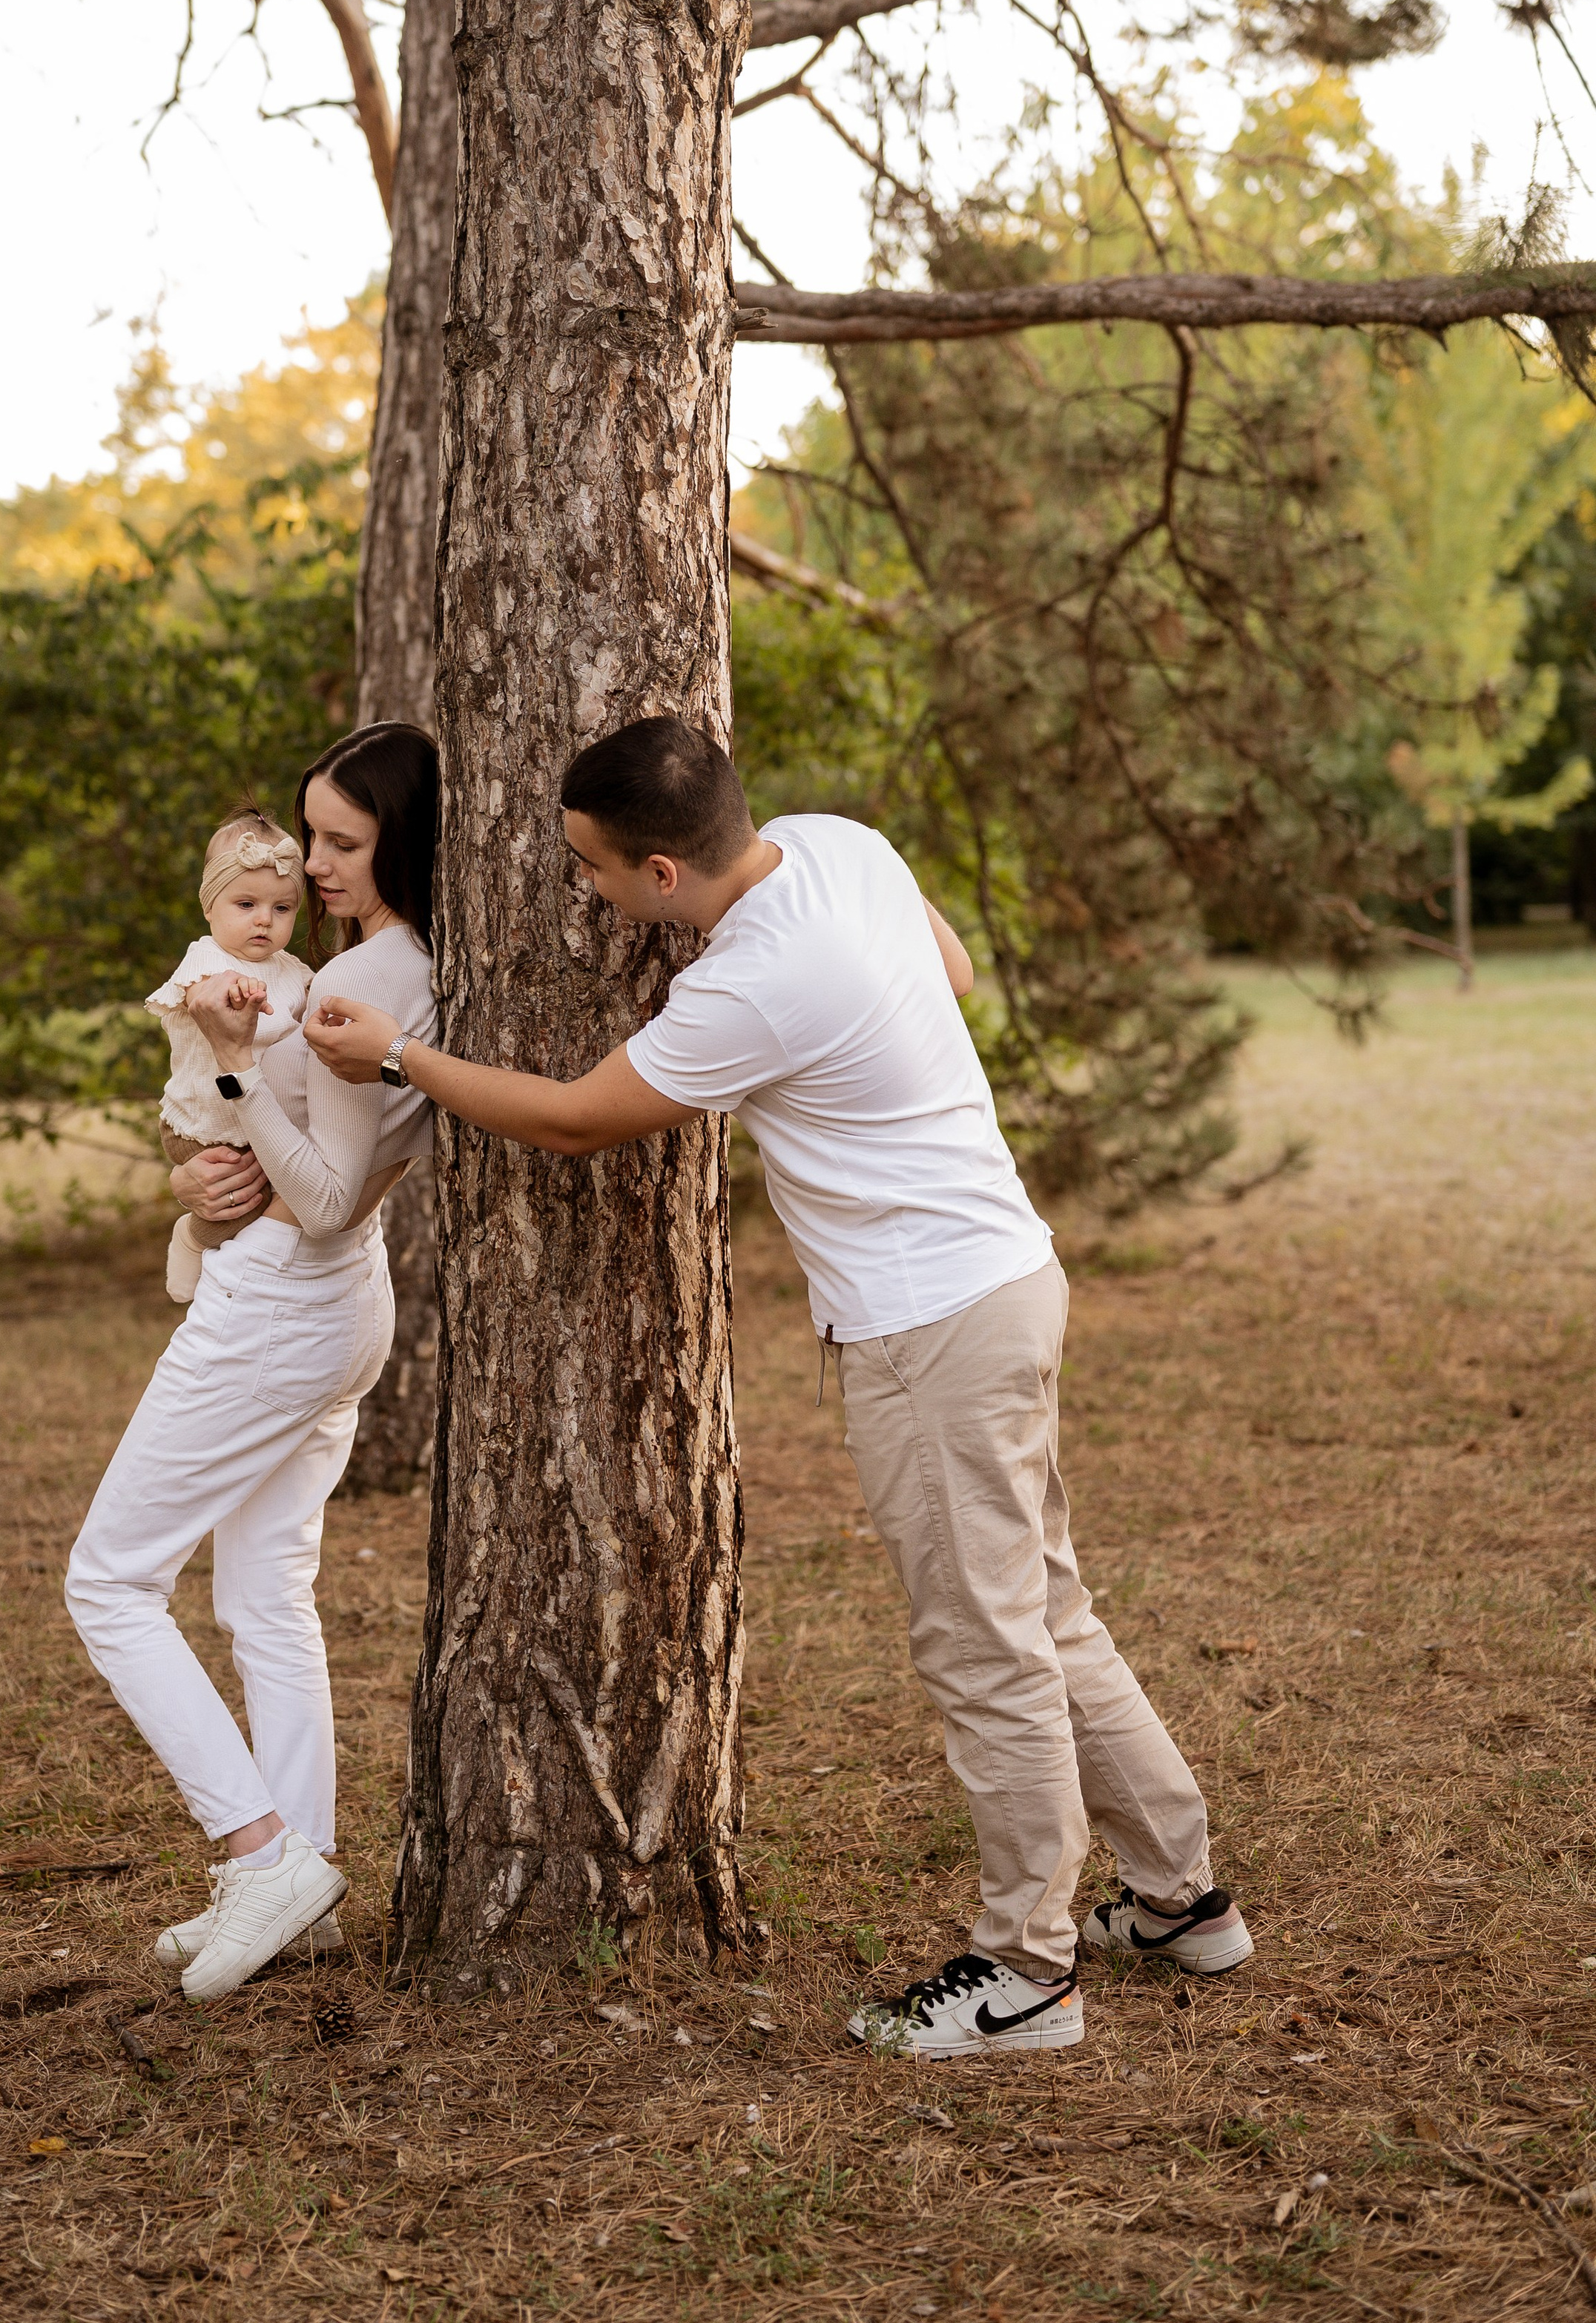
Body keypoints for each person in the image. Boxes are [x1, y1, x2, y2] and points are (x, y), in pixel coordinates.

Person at [307, 715, 1250, 2058]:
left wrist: (398, 1057)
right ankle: (1182, 1901)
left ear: (665, 877)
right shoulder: (835, 845)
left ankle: (1027, 1975)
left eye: (592, 869)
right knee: (1044, 1608)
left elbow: (576, 1119)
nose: (584, 892)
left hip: (933, 1325)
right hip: (1008, 1274)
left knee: (986, 1647)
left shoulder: (747, 984)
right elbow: (958, 967)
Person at [64, 722, 439, 2005]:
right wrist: (202, 1167)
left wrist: (233, 1073)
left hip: (287, 1299)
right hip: (335, 1303)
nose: (317, 863)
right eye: (309, 835)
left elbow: (328, 1191)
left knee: (109, 1579)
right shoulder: (396, 961)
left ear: (407, 835)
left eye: (343, 839)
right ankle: (307, 1885)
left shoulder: (366, 978)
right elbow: (302, 1167)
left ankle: (260, 1850)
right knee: (266, 1593)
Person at [148, 803, 312, 1306]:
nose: (264, 920)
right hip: (203, 1128)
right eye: (246, 904)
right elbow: (203, 993)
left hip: (260, 1129)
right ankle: (194, 1239)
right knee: (240, 1206)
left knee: (276, 1207)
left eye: (281, 909)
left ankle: (230, 1279)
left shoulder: (294, 972)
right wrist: (235, 987)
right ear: (209, 906)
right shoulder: (208, 958)